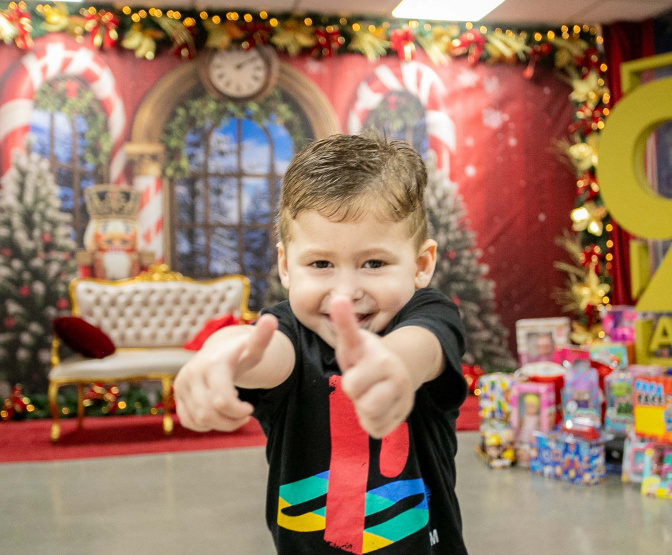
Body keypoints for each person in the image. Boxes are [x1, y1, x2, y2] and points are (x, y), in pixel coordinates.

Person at [174, 133, 468, 554]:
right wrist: (220, 355)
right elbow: (262, 348)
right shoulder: (291, 333)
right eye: (321, 264)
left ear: (421, 264)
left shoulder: (427, 316)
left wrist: (395, 364)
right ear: (286, 266)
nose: (345, 292)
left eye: (374, 263)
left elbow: (423, 347)